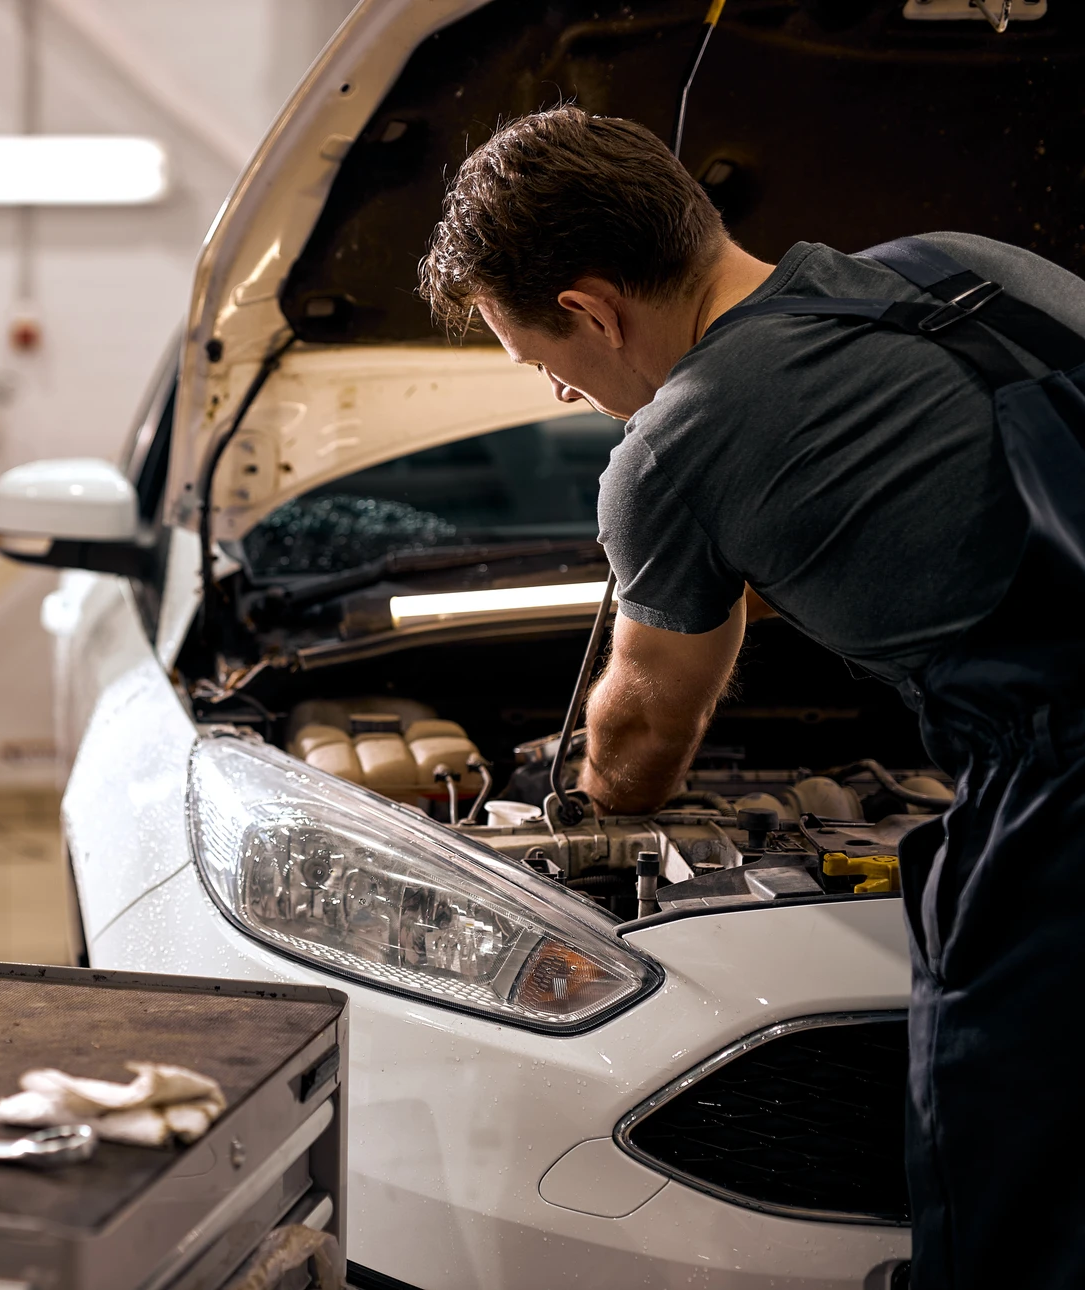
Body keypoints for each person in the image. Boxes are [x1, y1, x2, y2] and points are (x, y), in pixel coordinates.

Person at [417, 104, 1085, 1288]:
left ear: (588, 310)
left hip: (1067, 782)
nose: (566, 394)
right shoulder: (965, 265)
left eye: (544, 365)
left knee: (1012, 1159)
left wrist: (578, 795)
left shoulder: (677, 444)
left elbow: (639, 743)